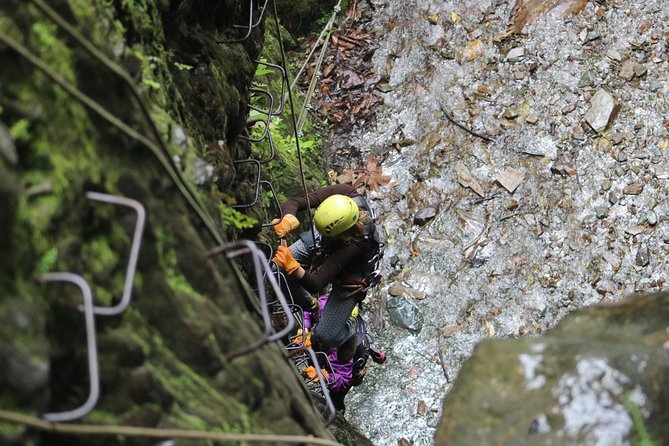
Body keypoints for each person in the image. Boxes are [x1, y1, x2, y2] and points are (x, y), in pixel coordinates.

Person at [272, 183, 381, 360]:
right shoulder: (342, 193)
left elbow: (317, 282)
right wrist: (288, 216)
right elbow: (297, 201)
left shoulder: (357, 241)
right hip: (322, 239)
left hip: (352, 273)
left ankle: (351, 329)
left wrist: (292, 265)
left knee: (326, 337)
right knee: (276, 269)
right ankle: (310, 305)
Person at [299, 295, 386, 412]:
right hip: (321, 352)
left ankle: (337, 412)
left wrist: (325, 377)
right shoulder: (328, 309)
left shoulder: (346, 349)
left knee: (334, 400)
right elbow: (310, 308)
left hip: (345, 369)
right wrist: (305, 329)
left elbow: (343, 379)